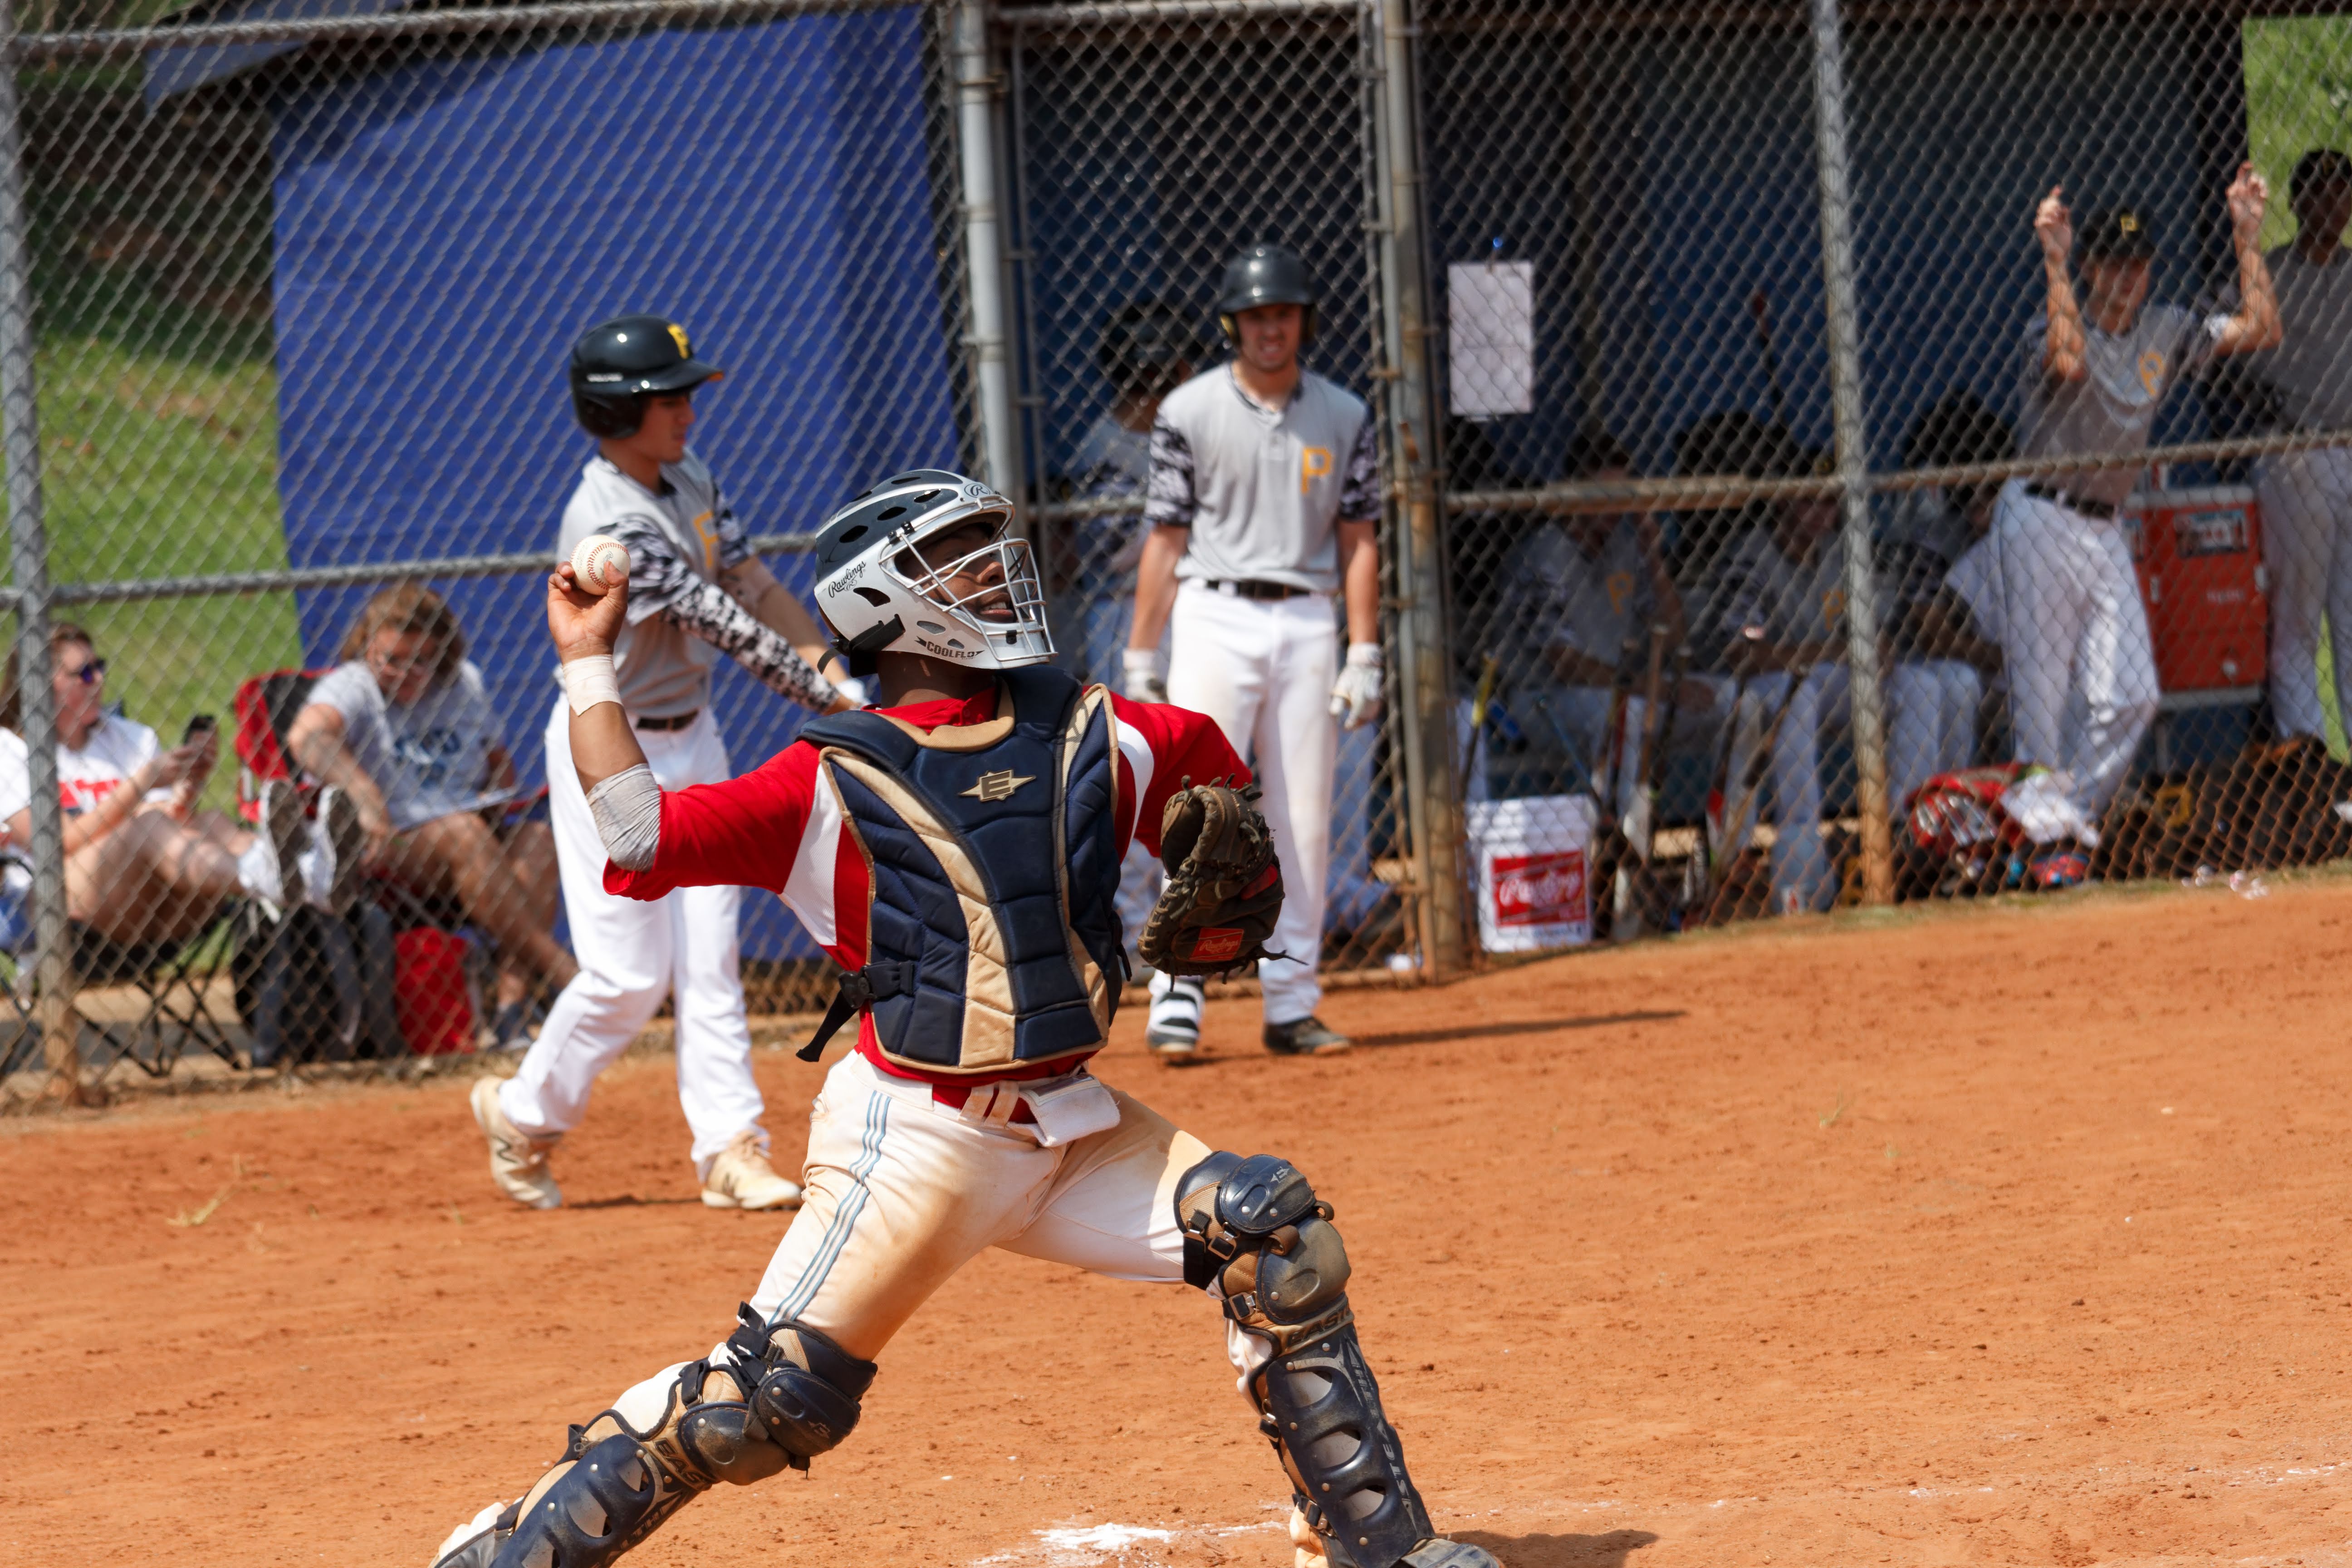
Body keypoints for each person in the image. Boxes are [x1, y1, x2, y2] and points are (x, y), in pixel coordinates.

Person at [426, 468, 1501, 1568]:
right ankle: (503, 1553)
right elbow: (637, 836)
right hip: (916, 1141)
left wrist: (1217, 846)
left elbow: (1207, 771)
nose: (998, 571)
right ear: (881, 602)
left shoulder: (1090, 729)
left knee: (1273, 1238)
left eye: (994, 550)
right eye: (960, 560)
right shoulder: (827, 779)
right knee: (760, 1407)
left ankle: (1376, 1545)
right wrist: (586, 658)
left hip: (1072, 1128)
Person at [470, 314, 857, 1215]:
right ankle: (522, 1117)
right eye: (665, 398)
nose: (686, 410)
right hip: (607, 745)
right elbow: (723, 625)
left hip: (694, 735)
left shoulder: (692, 477)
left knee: (712, 954)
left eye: (685, 394)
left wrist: (837, 671)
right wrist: (834, 701)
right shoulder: (609, 520)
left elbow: (753, 583)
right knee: (629, 976)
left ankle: (730, 1148)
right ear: (616, 410)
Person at [1125, 243, 1380, 1062]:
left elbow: (1359, 539)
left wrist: (1365, 649)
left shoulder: (1344, 413)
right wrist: (1141, 654)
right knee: (1200, 809)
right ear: (1233, 324)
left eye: (1285, 313)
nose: (1272, 328)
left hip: (1306, 618)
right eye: (1257, 315)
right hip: (1213, 613)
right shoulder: (1187, 409)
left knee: (1302, 819)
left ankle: (1291, 1004)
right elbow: (1165, 539)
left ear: (1305, 320)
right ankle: (1177, 994)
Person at [1998, 169, 2279, 825]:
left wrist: (2247, 237)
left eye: (2140, 262)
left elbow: (2262, 329)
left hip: (2105, 528)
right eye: (2115, 263)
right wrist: (2055, 262)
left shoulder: (2165, 327)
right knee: (2042, 707)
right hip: (2040, 515)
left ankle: (2060, 821)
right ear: (2092, 268)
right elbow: (2070, 364)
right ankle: (2044, 838)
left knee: (2134, 696)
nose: (2130, 276)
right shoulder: (2053, 321)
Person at [286, 585, 578, 1049]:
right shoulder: (353, 685)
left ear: (443, 654)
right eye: (391, 659)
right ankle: (568, 975)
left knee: (537, 840)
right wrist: (364, 793)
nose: (405, 673)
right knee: (463, 834)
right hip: (393, 841)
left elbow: (498, 760)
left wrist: (495, 795)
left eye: (421, 661)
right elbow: (308, 738)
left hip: (469, 832)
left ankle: (512, 1011)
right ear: (368, 646)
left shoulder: (464, 683)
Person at [0, 622, 360, 961]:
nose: (99, 680)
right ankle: (269, 875)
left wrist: (188, 788)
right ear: (40, 684)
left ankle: (307, 874)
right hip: (65, 909)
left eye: (100, 667)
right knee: (147, 824)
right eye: (84, 673)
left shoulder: (131, 738)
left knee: (211, 822)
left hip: (160, 905)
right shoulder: (9, 751)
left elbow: (172, 828)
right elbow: (57, 844)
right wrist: (141, 785)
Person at [1495, 427, 1732, 811]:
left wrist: (1654, 558)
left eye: (1621, 494)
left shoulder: (1626, 546)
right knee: (1627, 711)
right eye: (1602, 493)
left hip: (1622, 689)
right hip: (1543, 699)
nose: (1613, 506)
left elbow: (1677, 639)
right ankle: (1627, 832)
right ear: (1574, 491)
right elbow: (1564, 664)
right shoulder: (1544, 555)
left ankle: (1728, 832)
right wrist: (1654, 689)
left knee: (1733, 700)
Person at [2247, 148, 2352, 755]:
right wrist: (2266, 398)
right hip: (2298, 453)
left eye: (2342, 191)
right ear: (2297, 201)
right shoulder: (2273, 273)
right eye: (2319, 191)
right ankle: (2309, 770)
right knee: (2298, 624)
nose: (2331, 203)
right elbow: (2219, 351)